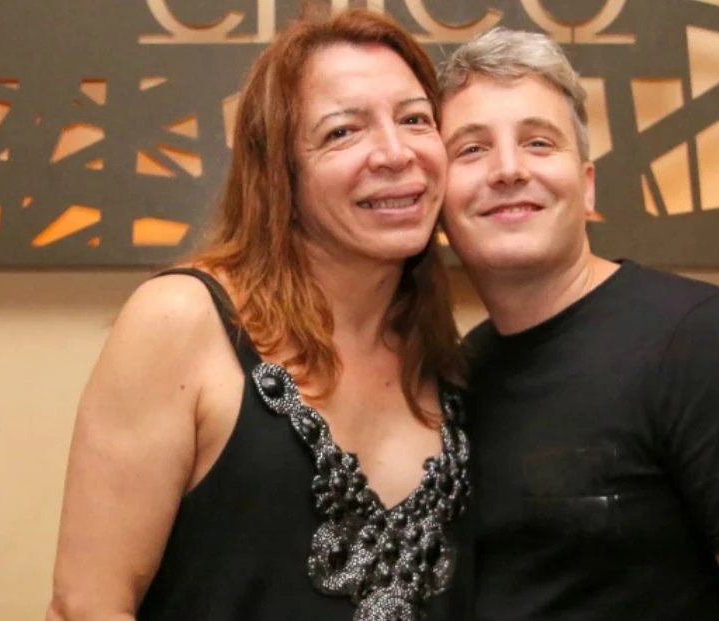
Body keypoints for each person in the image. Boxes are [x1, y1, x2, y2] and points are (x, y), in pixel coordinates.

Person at [45, 9, 473, 621]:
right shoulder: (182, 322)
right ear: (280, 174)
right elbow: (85, 606)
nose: (395, 152)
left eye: (414, 119)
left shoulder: (446, 351)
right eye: (343, 131)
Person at [438, 27, 719, 621]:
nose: (507, 169)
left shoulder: (708, 346)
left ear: (586, 187)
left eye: (538, 142)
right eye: (472, 149)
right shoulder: (459, 376)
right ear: (438, 198)